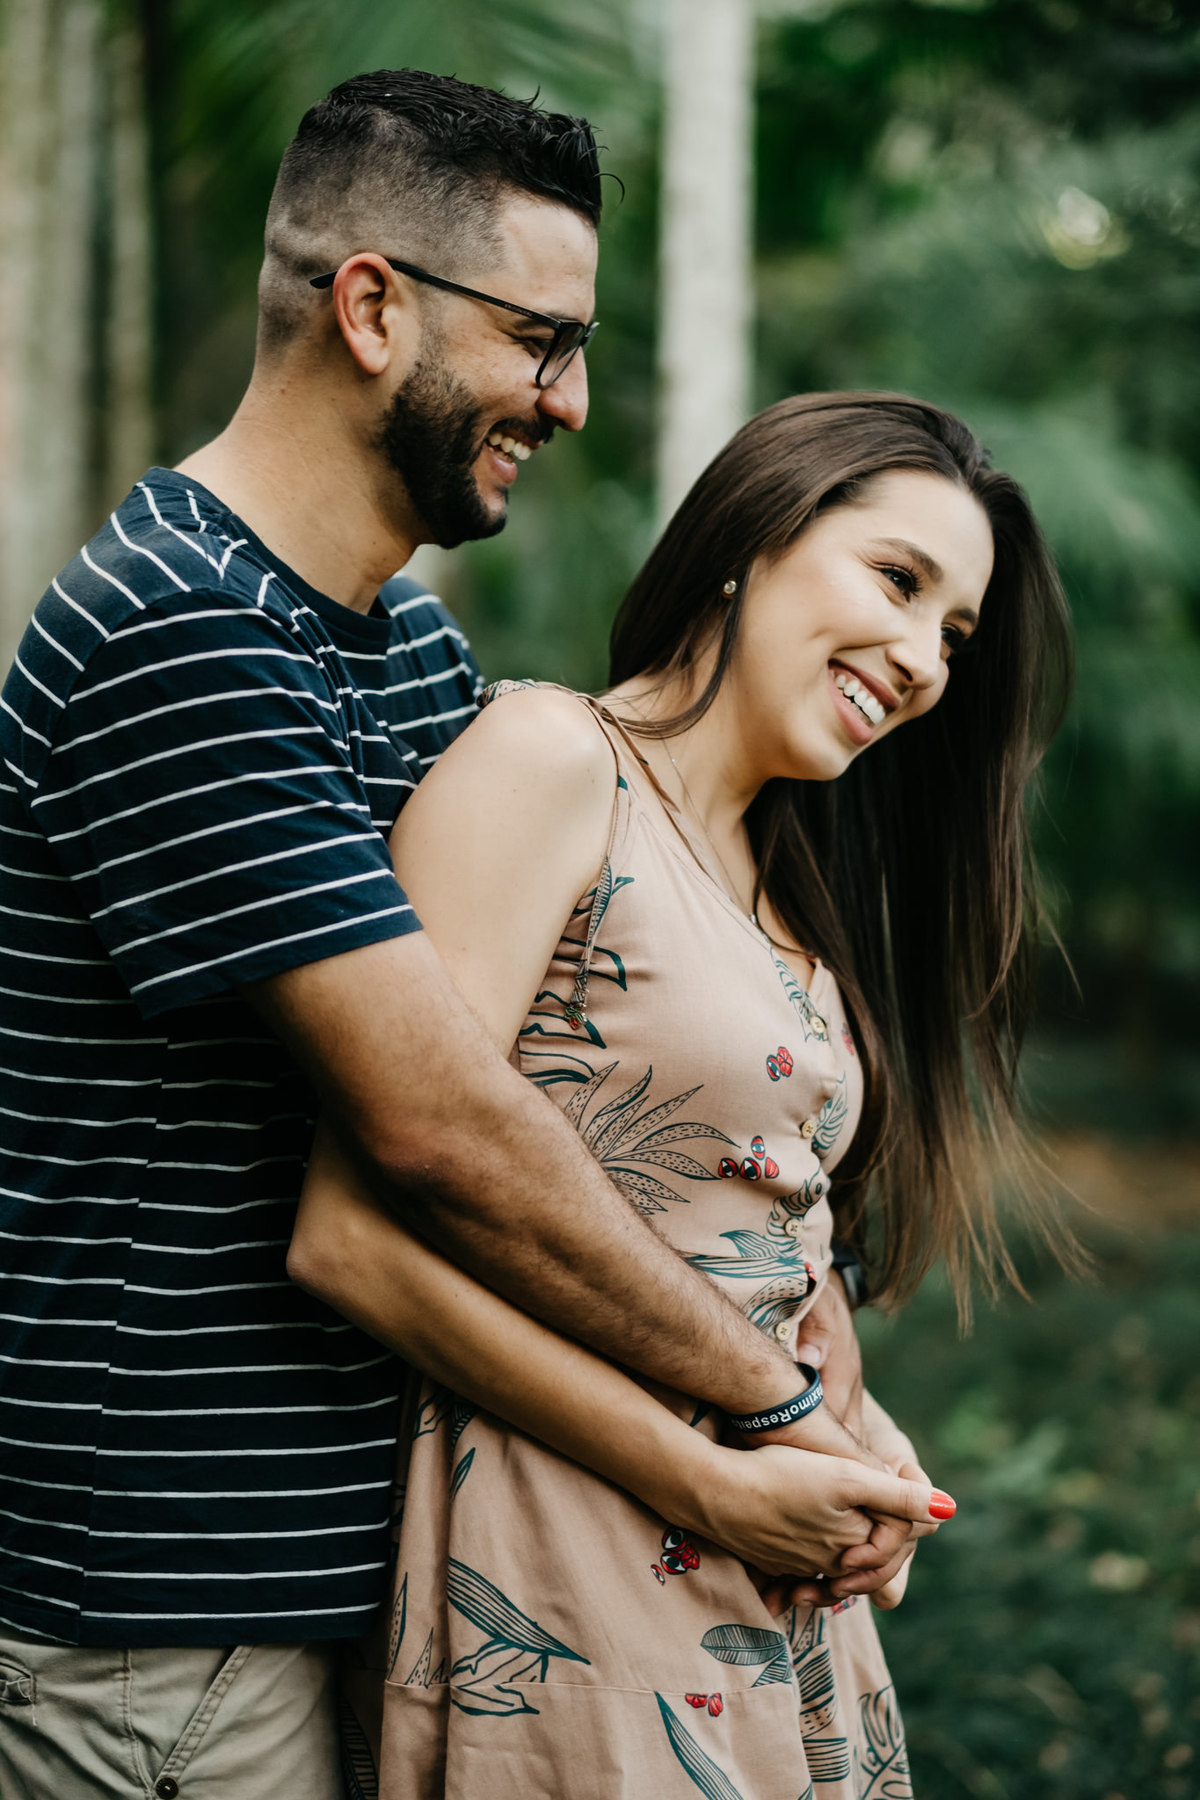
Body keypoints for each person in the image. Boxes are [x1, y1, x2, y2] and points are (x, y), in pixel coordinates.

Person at [0, 73, 931, 1800]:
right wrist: (758, 1411)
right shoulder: (179, 633)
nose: (567, 400)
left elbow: (584, 1060)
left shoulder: (403, 657)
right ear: (371, 307)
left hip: (370, 1576)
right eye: (539, 340)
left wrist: (814, 1330)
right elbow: (440, 1125)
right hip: (164, 1615)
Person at [295, 391, 1073, 1798]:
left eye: (955, 637)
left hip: (776, 1593)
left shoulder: (793, 892)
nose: (919, 661)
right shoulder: (551, 764)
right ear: (757, 530)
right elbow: (349, 1237)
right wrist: (709, 1478)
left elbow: (745, 1228)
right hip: (570, 1567)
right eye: (898, 582)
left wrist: (860, 1442)